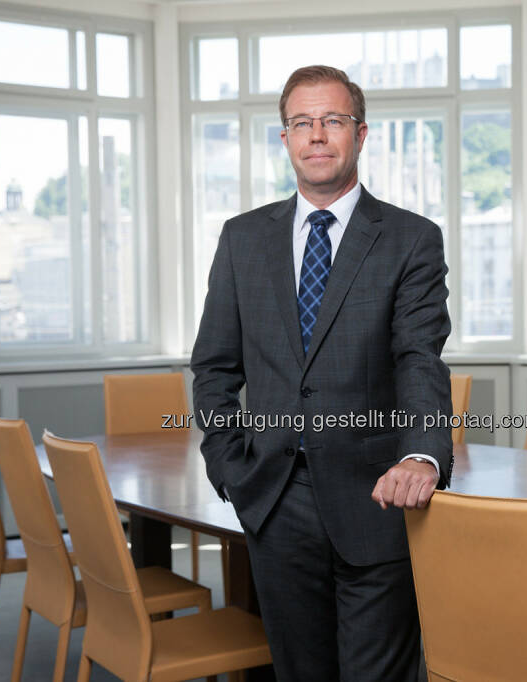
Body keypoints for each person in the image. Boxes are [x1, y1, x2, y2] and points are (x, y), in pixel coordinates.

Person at [191, 64, 453, 682]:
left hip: (376, 498)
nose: (317, 135)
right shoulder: (241, 239)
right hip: (274, 500)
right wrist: (229, 463)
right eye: (301, 123)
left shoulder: (411, 240)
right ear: (284, 139)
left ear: (360, 134)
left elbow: (418, 357)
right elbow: (215, 366)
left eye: (332, 121)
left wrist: (422, 455)